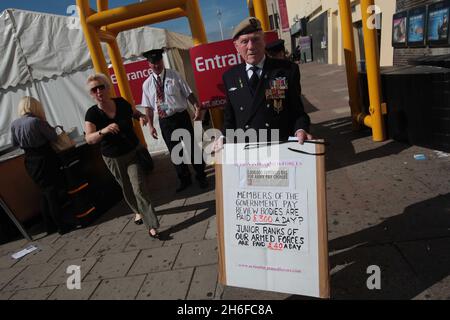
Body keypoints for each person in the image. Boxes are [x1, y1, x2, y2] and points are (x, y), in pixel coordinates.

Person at [84, 73, 161, 239]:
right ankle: (138, 211)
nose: (98, 91)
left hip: (132, 152)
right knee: (126, 188)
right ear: (91, 94)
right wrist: (103, 131)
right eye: (94, 89)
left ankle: (151, 225)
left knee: (139, 187)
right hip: (113, 158)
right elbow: (89, 139)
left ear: (107, 88)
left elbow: (135, 113)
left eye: (101, 87)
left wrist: (142, 118)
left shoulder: (121, 103)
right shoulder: (92, 114)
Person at [221, 17, 312, 145]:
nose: (251, 46)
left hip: (280, 147)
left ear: (264, 40)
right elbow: (229, 118)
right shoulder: (230, 77)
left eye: (256, 39)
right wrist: (223, 137)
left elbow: (298, 112)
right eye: (244, 42)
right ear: (236, 46)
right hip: (248, 151)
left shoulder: (287, 70)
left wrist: (300, 129)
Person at [141, 48, 208, 192]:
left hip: (180, 116)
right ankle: (184, 179)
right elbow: (148, 107)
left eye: (158, 61)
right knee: (174, 151)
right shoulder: (146, 84)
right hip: (165, 121)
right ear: (149, 64)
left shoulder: (174, 75)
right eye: (153, 63)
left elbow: (188, 93)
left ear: (162, 61)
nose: (156, 65)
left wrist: (197, 106)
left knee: (191, 147)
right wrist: (151, 126)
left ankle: (201, 175)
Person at [10, 97, 74, 235]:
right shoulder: (37, 121)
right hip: (45, 158)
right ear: (35, 107)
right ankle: (61, 225)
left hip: (29, 160)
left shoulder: (14, 124)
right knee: (51, 193)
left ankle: (49, 226)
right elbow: (53, 137)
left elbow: (14, 144)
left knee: (45, 193)